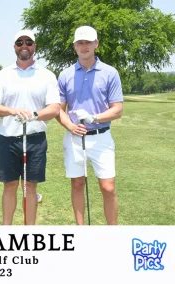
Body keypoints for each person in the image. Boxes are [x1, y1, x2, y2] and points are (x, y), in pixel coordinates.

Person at [0, 30, 60, 225]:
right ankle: (7, 230)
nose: (24, 45)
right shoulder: (2, 75)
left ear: (34, 46)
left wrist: (34, 115)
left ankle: (29, 232)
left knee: (30, 187)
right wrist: (13, 111)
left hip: (35, 139)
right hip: (8, 138)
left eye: (28, 42)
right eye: (20, 42)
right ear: (14, 47)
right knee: (9, 186)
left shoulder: (47, 75)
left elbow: (54, 108)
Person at [56, 26, 123, 225]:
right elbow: (58, 109)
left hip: (101, 136)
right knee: (77, 184)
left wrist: (94, 118)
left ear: (96, 44)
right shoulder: (65, 75)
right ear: (75, 46)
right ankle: (80, 231)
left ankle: (112, 232)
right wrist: (70, 126)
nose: (84, 46)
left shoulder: (110, 73)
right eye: (80, 43)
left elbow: (117, 109)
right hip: (75, 138)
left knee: (108, 187)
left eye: (88, 42)